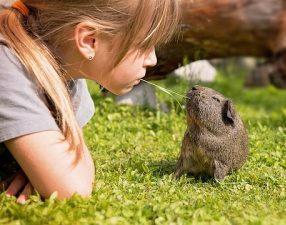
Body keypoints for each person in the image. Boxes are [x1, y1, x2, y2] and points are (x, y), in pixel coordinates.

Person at [0, 0, 179, 204]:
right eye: (144, 45)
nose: (152, 59)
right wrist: (53, 169)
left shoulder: (68, 68)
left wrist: (39, 166)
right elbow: (73, 188)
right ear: (88, 41)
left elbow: (70, 164)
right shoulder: (7, 67)